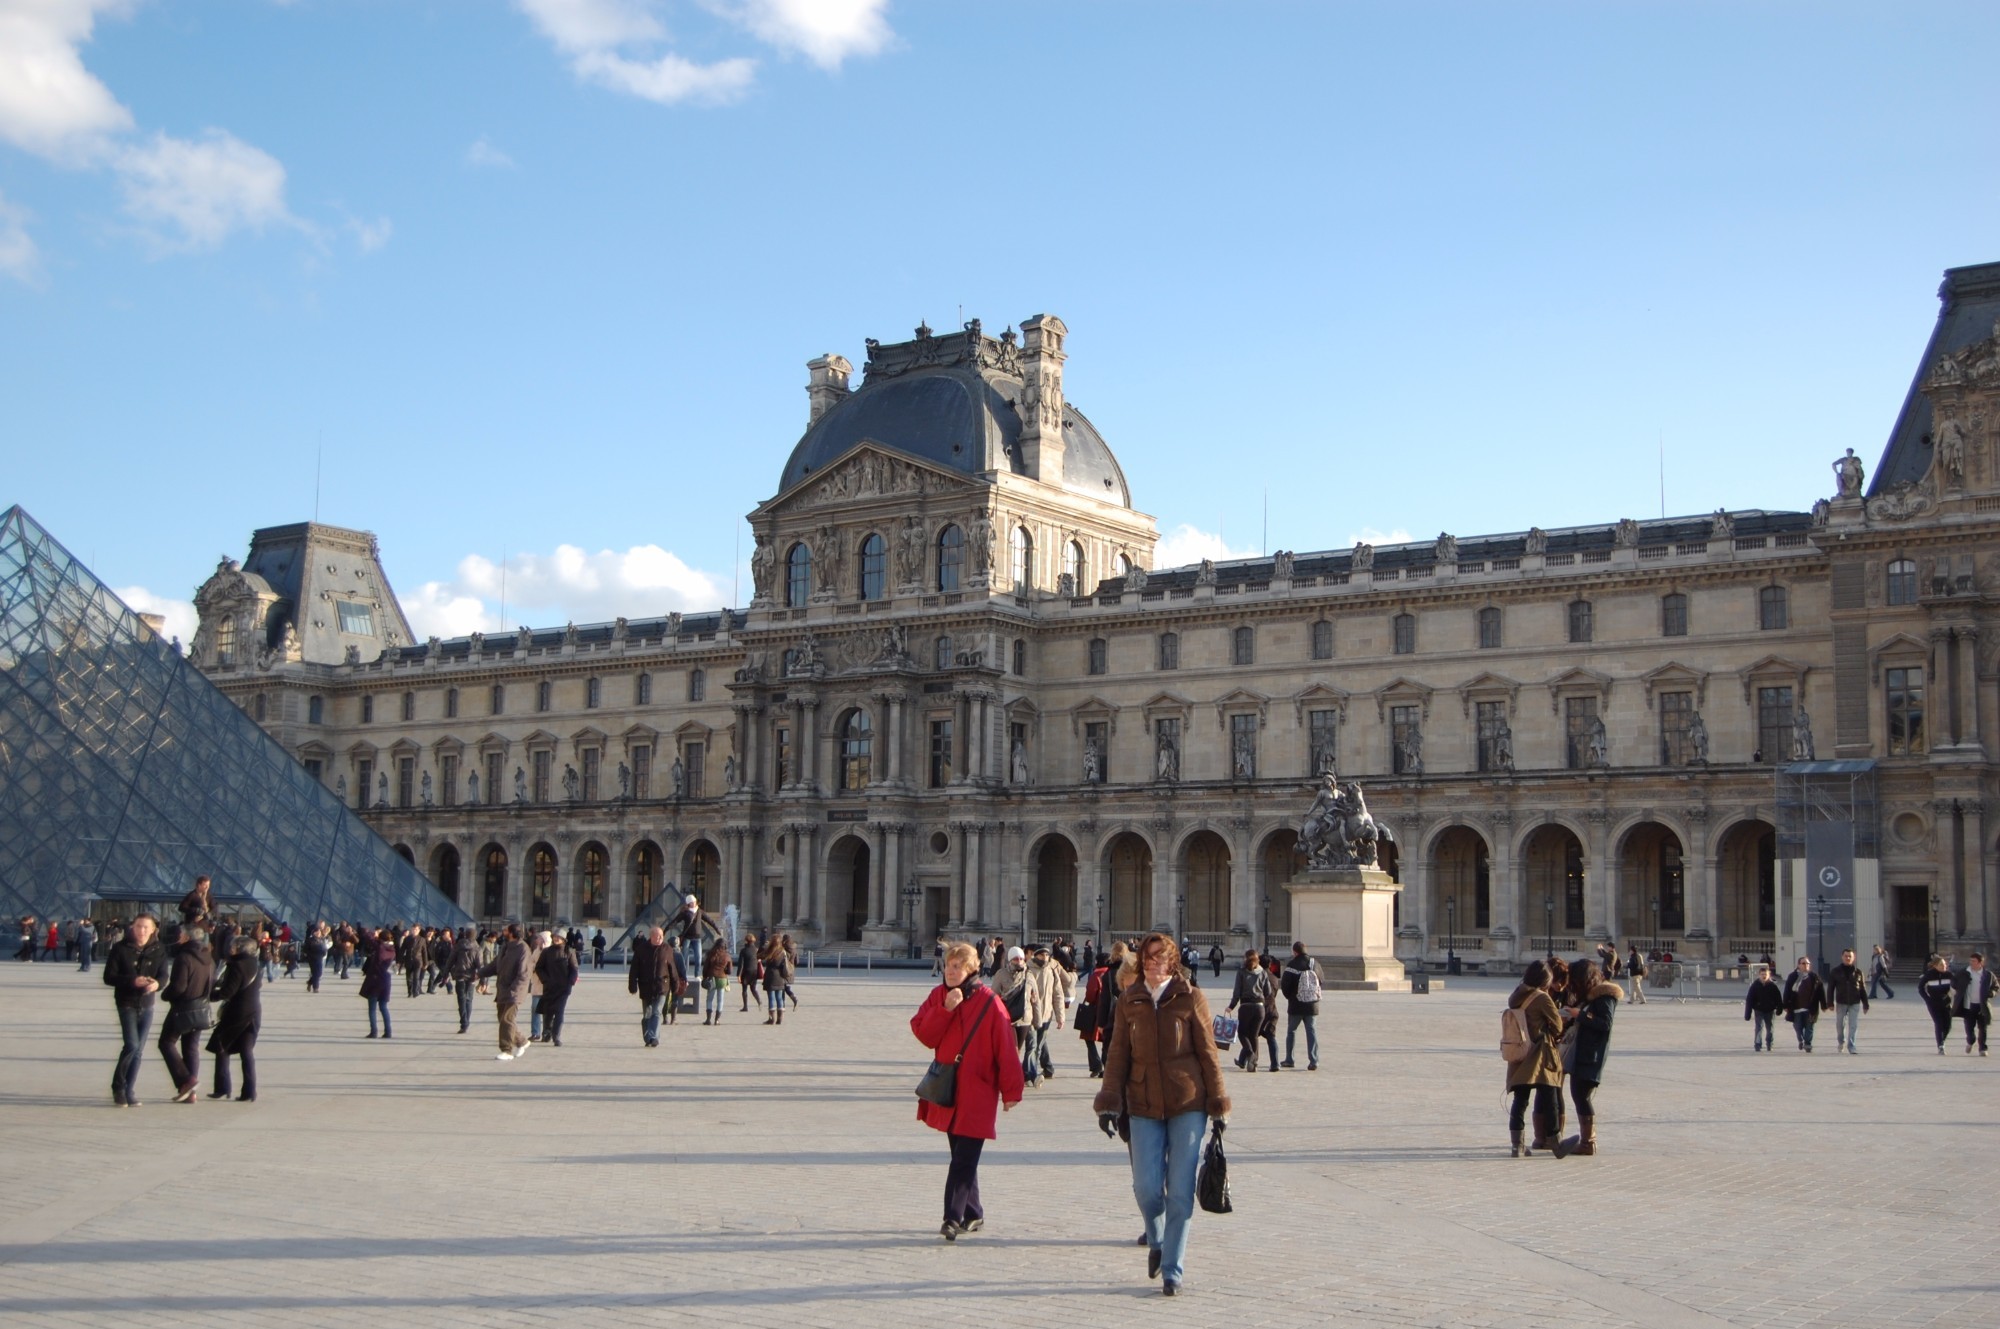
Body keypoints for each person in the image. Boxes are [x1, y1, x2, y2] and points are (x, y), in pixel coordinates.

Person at [1094, 931, 1230, 1296]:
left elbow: (1208, 1054)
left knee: (1181, 1192)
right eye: (1148, 959)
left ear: (1172, 962)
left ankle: (1172, 1269)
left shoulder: (1191, 998)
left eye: (1160, 958)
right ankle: (1156, 1239)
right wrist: (1109, 1099)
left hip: (1188, 1103)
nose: (1153, 965)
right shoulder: (1130, 1000)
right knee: (1147, 1188)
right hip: (1142, 1103)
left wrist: (1218, 1102)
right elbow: (1117, 1054)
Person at [911, 941, 1023, 1242]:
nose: (950, 971)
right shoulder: (939, 996)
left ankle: (952, 1217)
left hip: (979, 1093)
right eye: (948, 965)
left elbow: (1006, 1049)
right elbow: (923, 1033)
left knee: (962, 1160)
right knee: (961, 1156)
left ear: (972, 969)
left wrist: (1012, 1090)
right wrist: (946, 1010)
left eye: (957, 966)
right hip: (949, 1090)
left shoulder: (989, 1003)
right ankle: (974, 1212)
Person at [1555, 959, 1621, 1157]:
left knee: (1581, 1096)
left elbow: (1605, 1023)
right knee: (1579, 1095)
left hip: (1592, 1054)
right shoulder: (1592, 997)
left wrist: (1580, 1015)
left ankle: (1588, 1142)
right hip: (1583, 1052)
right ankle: (1586, 1141)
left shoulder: (1605, 997)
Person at [103, 914, 167, 1107]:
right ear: (132, 927)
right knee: (131, 1045)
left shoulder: (159, 949)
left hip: (147, 1003)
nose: (142, 930)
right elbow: (109, 977)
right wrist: (132, 981)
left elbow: (163, 975)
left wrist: (157, 984)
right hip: (127, 1002)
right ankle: (118, 1087)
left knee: (138, 1051)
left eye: (146, 927)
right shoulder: (120, 949)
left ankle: (129, 1090)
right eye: (139, 926)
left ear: (154, 929)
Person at [1506, 959, 1565, 1156]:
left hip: (1521, 1053)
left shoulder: (1516, 995)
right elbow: (1558, 1026)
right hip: (1540, 1053)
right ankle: (1556, 1143)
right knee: (1550, 1098)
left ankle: (1517, 1146)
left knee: (1520, 1100)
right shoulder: (1542, 998)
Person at [157, 925, 216, 1104]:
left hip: (183, 1008)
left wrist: (165, 994)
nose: (178, 936)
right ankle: (190, 1093)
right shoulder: (209, 957)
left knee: (166, 1043)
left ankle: (186, 1080)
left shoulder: (184, 957)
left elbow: (178, 987)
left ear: (186, 938)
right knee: (191, 1047)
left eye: (181, 934)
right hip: (201, 1007)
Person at [206, 933, 262, 1101]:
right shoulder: (255, 964)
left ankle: (223, 1087)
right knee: (246, 1052)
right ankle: (249, 1091)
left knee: (221, 1046)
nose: (230, 948)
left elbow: (227, 992)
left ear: (239, 949)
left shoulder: (236, 965)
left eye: (233, 946)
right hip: (253, 1012)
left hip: (236, 1012)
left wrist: (208, 995)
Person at [480, 923, 532, 1061]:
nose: (502, 932)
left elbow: (523, 973)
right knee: (502, 1019)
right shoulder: (506, 946)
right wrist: (479, 973)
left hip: (514, 990)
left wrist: (514, 990)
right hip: (503, 988)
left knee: (507, 1019)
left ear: (512, 932)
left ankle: (506, 1050)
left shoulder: (523, 949)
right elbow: (495, 965)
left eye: (505, 930)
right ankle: (521, 1041)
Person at [1226, 949, 1276, 1071]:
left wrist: (1231, 1006)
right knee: (1254, 1035)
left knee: (1242, 1033)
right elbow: (1268, 992)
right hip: (1260, 1007)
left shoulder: (1242, 972)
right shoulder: (1263, 972)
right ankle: (1253, 1064)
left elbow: (1237, 992)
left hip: (1245, 1006)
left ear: (1245, 958)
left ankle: (1250, 1054)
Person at [1279, 940, 1322, 1070]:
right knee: (1311, 1031)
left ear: (1295, 952)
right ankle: (1314, 1060)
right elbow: (1321, 981)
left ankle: (1289, 1059)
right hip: (1312, 1004)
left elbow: (1285, 986)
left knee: (1292, 1031)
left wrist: (1291, 997)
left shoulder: (1292, 965)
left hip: (1296, 1004)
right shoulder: (1315, 964)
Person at [629, 926, 675, 1046]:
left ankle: (654, 1037)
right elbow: (634, 969)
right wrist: (632, 986)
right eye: (657, 936)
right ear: (651, 936)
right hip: (646, 986)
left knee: (656, 1012)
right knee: (647, 1015)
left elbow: (672, 969)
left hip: (662, 986)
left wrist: (675, 985)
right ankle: (648, 1038)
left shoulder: (667, 949)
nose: (660, 938)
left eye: (662, 936)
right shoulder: (641, 949)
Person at [534, 934, 578, 1046]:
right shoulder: (546, 952)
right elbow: (539, 968)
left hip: (563, 988)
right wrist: (545, 980)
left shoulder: (569, 951)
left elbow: (574, 969)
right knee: (548, 1012)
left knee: (559, 1011)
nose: (556, 939)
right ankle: (547, 1032)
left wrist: (571, 982)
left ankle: (556, 1036)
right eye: (555, 937)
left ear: (563, 939)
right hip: (549, 987)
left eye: (559, 937)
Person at [1826, 947, 1870, 1054]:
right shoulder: (1835, 972)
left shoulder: (1858, 972)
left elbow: (1862, 989)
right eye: (1846, 956)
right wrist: (1830, 1003)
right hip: (1841, 1002)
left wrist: (1865, 1004)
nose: (1848, 958)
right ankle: (1841, 1041)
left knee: (1853, 1025)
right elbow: (1830, 988)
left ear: (1853, 958)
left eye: (1850, 956)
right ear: (1842, 957)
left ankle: (1851, 1046)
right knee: (1840, 1025)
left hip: (1855, 1002)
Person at [1782, 956, 1829, 1052]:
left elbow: (1821, 991)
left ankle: (1808, 1044)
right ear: (1798, 965)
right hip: (1796, 1008)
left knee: (1809, 1027)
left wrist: (1824, 1005)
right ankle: (1801, 1040)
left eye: (1807, 963)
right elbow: (1787, 991)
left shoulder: (1814, 977)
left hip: (1810, 1008)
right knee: (1798, 1026)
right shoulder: (1793, 976)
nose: (1806, 965)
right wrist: (1785, 1005)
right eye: (1803, 963)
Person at [1955, 952, 1995, 1055]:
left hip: (1982, 1005)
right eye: (1970, 961)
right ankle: (1970, 1041)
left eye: (1974, 961)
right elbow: (1954, 982)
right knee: (1969, 1027)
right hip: (1968, 1005)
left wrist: (1991, 993)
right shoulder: (1964, 972)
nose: (1971, 963)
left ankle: (1982, 1048)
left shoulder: (1988, 975)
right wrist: (1960, 990)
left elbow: (1996, 987)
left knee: (1983, 1028)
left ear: (1981, 962)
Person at [359, 928, 395, 1039]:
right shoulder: (392, 950)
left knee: (372, 1008)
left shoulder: (380, 948)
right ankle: (388, 1031)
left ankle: (374, 1031)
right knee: (384, 1007)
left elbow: (368, 938)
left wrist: (372, 933)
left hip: (375, 981)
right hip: (386, 980)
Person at [1918, 955, 1957, 1053]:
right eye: (1941, 965)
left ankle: (1942, 1040)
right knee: (1939, 1023)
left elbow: (1957, 985)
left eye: (1945, 964)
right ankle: (1940, 1045)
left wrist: (1951, 995)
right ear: (1935, 966)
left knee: (1948, 1025)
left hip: (1946, 1003)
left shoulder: (1949, 975)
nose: (1944, 966)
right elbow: (1920, 988)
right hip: (1933, 1004)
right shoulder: (1929, 975)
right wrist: (1927, 999)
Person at [448, 928, 482, 1033]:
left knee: (461, 999)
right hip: (471, 976)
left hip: (459, 975)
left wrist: (445, 973)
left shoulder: (458, 946)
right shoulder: (477, 948)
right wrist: (483, 979)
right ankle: (467, 1021)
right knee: (469, 999)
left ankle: (464, 1023)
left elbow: (450, 960)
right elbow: (480, 965)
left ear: (465, 935)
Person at [1744, 964, 1783, 1051]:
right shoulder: (1755, 986)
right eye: (1762, 974)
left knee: (1770, 1028)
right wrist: (1748, 1014)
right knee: (1759, 1027)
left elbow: (1778, 998)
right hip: (1759, 1010)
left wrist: (1779, 1009)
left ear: (1769, 975)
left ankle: (1769, 1044)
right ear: (1759, 975)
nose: (1764, 976)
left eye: (1765, 974)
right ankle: (1757, 1044)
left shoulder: (1773, 986)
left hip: (1770, 1010)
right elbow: (1749, 1000)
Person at [759, 934, 793, 1025]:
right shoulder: (783, 952)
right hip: (780, 976)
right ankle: (780, 1019)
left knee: (771, 998)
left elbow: (759, 955)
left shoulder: (769, 950)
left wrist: (764, 946)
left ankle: (771, 1019)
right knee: (779, 998)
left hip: (770, 976)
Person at [701, 938, 732, 1025]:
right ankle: (717, 1020)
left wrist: (704, 977)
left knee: (709, 999)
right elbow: (729, 971)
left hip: (712, 978)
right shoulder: (727, 956)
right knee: (720, 1000)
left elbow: (705, 968)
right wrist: (724, 970)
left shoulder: (711, 954)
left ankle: (708, 1019)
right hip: (722, 979)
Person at [736, 931, 762, 1012]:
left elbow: (741, 964)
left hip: (746, 971)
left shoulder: (743, 951)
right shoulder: (756, 950)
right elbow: (760, 960)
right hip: (754, 971)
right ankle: (759, 1001)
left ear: (746, 941)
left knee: (744, 990)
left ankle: (745, 1007)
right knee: (753, 989)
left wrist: (738, 975)